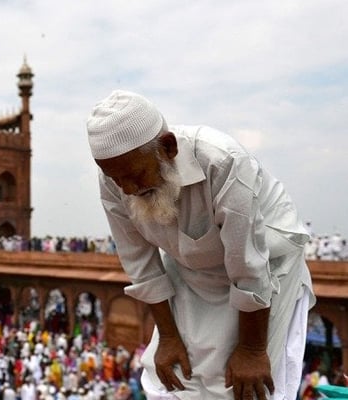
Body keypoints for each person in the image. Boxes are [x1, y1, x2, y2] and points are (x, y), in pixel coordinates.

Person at [86, 90, 315, 399]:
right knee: (170, 377)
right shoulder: (116, 179)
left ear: (167, 148)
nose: (127, 188)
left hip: (267, 264)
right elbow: (140, 265)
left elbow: (248, 263)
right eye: (115, 178)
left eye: (134, 176)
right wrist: (167, 337)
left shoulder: (222, 161)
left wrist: (251, 348)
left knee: (242, 386)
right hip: (192, 266)